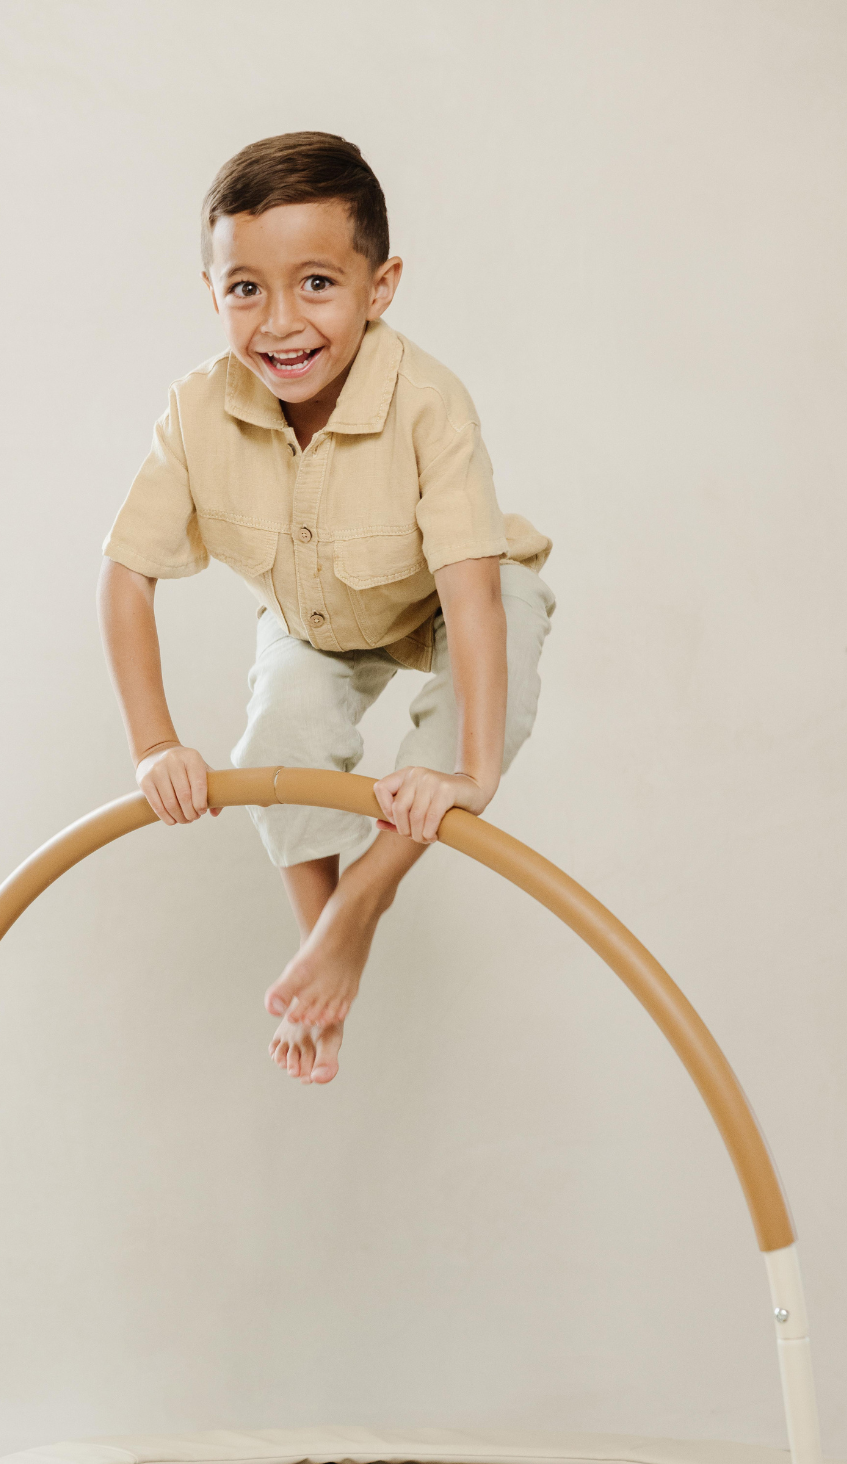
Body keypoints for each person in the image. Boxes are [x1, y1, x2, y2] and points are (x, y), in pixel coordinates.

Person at [99, 131, 553, 1085]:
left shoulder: (429, 403)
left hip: (451, 591)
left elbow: (471, 595)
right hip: (318, 619)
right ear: (214, 292)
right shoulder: (195, 410)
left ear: (379, 287)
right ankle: (322, 956)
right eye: (245, 289)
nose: (280, 321)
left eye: (317, 283)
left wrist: (472, 773)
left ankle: (359, 909)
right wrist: (155, 744)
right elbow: (126, 576)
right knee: (280, 732)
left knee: (482, 688)